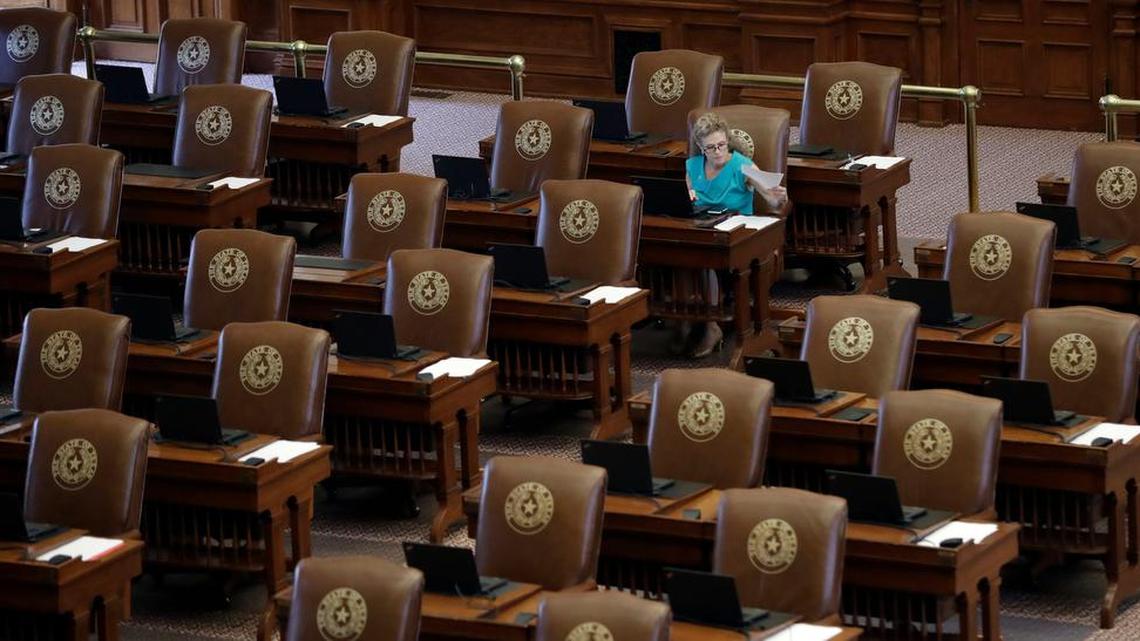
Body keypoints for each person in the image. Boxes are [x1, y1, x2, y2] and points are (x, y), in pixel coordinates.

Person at [674, 112, 788, 358]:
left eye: (722, 145)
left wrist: (777, 197)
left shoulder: (742, 165)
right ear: (702, 149)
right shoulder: (692, 167)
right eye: (711, 147)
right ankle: (684, 316)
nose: (718, 152)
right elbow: (686, 199)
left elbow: (771, 198)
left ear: (727, 141)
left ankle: (710, 324)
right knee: (678, 254)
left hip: (735, 236)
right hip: (702, 229)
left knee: (704, 260)